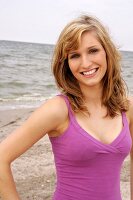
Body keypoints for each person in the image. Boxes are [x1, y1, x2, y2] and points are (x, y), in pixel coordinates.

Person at [0, 14, 133, 200]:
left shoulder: (127, 107)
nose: (85, 63)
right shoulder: (58, 109)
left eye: (93, 50)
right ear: (67, 63)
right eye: (75, 55)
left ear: (107, 52)